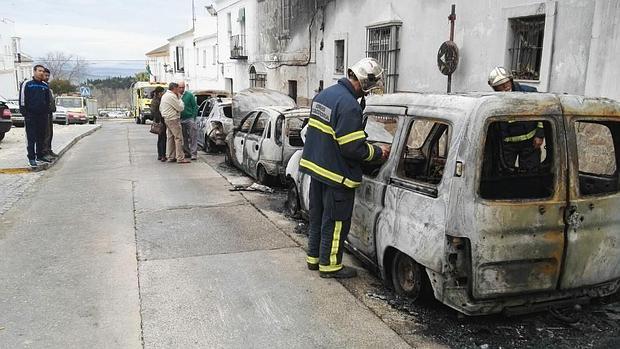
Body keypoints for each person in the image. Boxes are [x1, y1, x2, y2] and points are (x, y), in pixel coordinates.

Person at [300, 57, 390, 279]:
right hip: (336, 176)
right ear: (365, 83)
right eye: (369, 90)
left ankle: (314, 259)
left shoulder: (324, 95)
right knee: (337, 222)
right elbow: (352, 148)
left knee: (318, 217)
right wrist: (378, 153)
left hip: (316, 170)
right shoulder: (349, 105)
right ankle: (330, 266)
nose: (366, 95)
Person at [488, 66, 544, 171]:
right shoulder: (493, 100)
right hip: (507, 145)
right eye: (499, 86)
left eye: (506, 83)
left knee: (530, 174)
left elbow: (541, 113)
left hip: (530, 143)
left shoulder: (529, 93)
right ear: (494, 88)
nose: (504, 87)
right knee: (505, 174)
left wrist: (540, 135)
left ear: (511, 80)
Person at [19, 65, 53, 166]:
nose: (41, 73)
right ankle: (31, 157)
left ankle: (40, 155)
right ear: (34, 71)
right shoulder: (27, 83)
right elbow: (22, 98)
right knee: (31, 137)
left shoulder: (45, 85)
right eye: (39, 71)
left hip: (42, 115)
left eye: (42, 71)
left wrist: (46, 111)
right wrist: (24, 111)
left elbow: (47, 101)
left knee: (41, 136)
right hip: (30, 115)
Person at [160, 82, 190, 164]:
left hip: (167, 118)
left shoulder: (165, 96)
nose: (179, 90)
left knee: (170, 138)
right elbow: (180, 108)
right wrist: (180, 99)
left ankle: (171, 156)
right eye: (178, 88)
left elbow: (160, 108)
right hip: (173, 118)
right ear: (174, 88)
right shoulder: (172, 96)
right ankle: (180, 157)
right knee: (178, 138)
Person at [179, 81, 198, 160]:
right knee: (184, 137)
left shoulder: (189, 95)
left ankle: (194, 153)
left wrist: (193, 117)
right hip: (180, 119)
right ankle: (187, 152)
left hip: (189, 118)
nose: (181, 89)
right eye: (180, 87)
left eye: (183, 87)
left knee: (193, 136)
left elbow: (194, 106)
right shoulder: (176, 95)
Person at [42, 68, 58, 159]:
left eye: (48, 76)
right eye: (45, 75)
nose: (47, 77)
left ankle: (49, 149)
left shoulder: (47, 86)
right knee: (45, 133)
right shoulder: (41, 86)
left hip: (49, 112)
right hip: (44, 113)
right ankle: (44, 152)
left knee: (50, 133)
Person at [151, 86, 167, 161]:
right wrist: (160, 119)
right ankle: (162, 155)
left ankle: (160, 155)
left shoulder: (157, 99)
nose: (163, 93)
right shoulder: (156, 101)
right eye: (163, 92)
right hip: (160, 121)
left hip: (160, 121)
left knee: (161, 138)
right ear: (159, 93)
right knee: (162, 138)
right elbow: (154, 112)